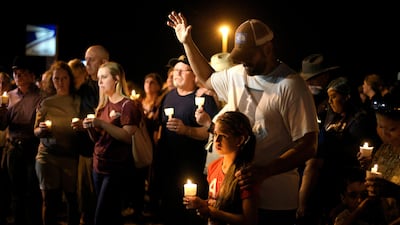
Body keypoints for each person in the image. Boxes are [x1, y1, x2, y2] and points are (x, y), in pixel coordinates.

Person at [167, 11, 319, 225]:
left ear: (267, 49)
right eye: (240, 58)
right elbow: (207, 79)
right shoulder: (238, 73)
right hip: (236, 195)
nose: (243, 63)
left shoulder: (291, 85)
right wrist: (187, 42)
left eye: (249, 57)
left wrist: (265, 171)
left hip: (275, 200)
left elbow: (308, 145)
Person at [297, 77, 382, 225]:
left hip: (347, 176)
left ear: (347, 96)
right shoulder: (330, 117)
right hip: (327, 173)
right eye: (329, 98)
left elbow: (365, 149)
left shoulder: (359, 121)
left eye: (334, 97)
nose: (330, 102)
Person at [153, 54, 219, 225]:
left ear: (194, 74)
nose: (177, 74)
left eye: (183, 70)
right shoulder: (169, 97)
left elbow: (211, 133)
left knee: (190, 215)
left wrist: (186, 130)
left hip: (193, 167)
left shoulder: (204, 99)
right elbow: (161, 128)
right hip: (170, 167)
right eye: (175, 70)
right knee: (170, 210)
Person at [82, 61, 142, 225]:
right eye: (98, 78)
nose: (99, 82)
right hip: (98, 164)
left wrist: (101, 124)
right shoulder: (102, 105)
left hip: (116, 168)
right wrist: (88, 127)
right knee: (112, 215)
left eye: (104, 77)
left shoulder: (127, 105)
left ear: (116, 79)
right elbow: (96, 139)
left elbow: (126, 136)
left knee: (101, 217)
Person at [184, 111, 258, 225]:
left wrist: (212, 212)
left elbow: (249, 220)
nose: (216, 141)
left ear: (240, 140)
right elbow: (216, 203)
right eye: (215, 134)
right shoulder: (213, 167)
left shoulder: (245, 175)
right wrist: (202, 204)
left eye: (223, 136)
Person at [34, 60, 81, 225]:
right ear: (51, 81)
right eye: (56, 79)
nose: (60, 82)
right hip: (48, 156)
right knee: (49, 201)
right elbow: (36, 131)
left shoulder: (77, 101)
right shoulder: (46, 102)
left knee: (72, 200)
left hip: (70, 156)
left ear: (70, 79)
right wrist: (42, 130)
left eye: (64, 78)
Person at [0, 56, 43, 225]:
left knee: (32, 190)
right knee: (16, 191)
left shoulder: (40, 96)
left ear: (32, 76)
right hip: (13, 148)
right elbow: (3, 126)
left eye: (23, 73)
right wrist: (2, 114)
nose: (18, 77)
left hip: (32, 147)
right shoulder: (9, 97)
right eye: (16, 73)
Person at [75, 45, 109, 225]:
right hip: (86, 151)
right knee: (86, 202)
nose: (86, 63)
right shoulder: (82, 88)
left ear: (104, 62)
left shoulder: (113, 88)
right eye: (85, 59)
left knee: (104, 205)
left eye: (91, 59)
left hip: (108, 154)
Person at [0, 71, 13, 225]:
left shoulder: (12, 99)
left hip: (6, 147)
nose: (1, 85)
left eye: (4, 82)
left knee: (5, 183)